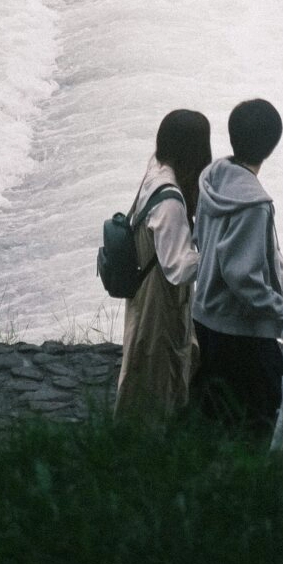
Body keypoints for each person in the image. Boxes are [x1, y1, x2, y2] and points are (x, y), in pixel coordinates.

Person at [191, 96, 283, 440]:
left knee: (211, 420)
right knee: (258, 421)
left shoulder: (212, 179)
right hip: (240, 333)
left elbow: (200, 239)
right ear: (272, 145)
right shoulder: (255, 204)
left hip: (204, 321)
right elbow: (242, 276)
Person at [114, 107, 213, 422]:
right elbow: (178, 268)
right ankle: (151, 438)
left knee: (140, 359)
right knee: (159, 368)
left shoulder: (156, 171)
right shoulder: (170, 201)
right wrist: (216, 255)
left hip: (144, 287)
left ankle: (133, 431)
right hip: (160, 297)